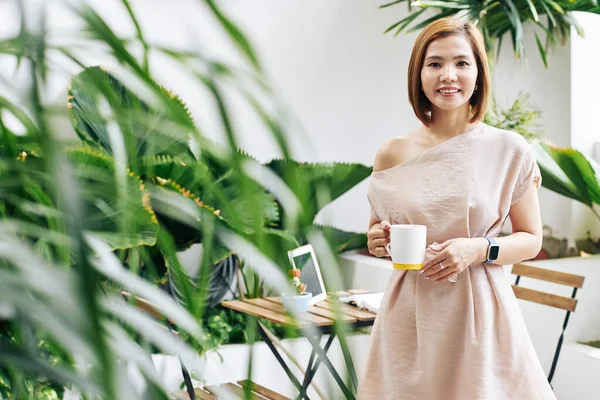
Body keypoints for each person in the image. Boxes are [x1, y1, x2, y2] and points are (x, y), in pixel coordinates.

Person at [357, 17, 555, 400]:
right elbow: (377, 233)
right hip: (409, 314)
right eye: (435, 64)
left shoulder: (509, 150)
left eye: (462, 63)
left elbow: (531, 240)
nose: (448, 75)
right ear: (418, 75)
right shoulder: (391, 152)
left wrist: (478, 249)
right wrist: (377, 240)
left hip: (478, 312)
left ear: (479, 74)